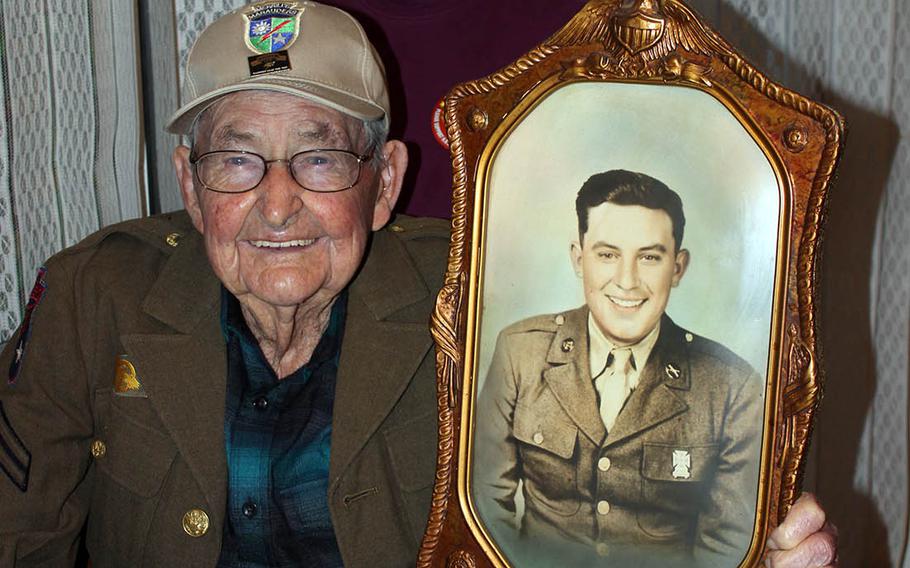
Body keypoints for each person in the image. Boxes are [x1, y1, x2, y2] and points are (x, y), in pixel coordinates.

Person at [0, 2, 836, 567]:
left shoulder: (475, 294)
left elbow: (602, 520)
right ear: (189, 183)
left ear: (386, 179)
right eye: (237, 157)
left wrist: (746, 549)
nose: (278, 202)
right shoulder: (93, 296)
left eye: (322, 156)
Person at [476, 170, 759, 567]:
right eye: (607, 255)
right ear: (579, 259)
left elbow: (728, 548)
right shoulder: (520, 352)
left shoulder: (731, 386)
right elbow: (484, 511)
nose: (627, 281)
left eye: (649, 257)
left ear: (677, 268)